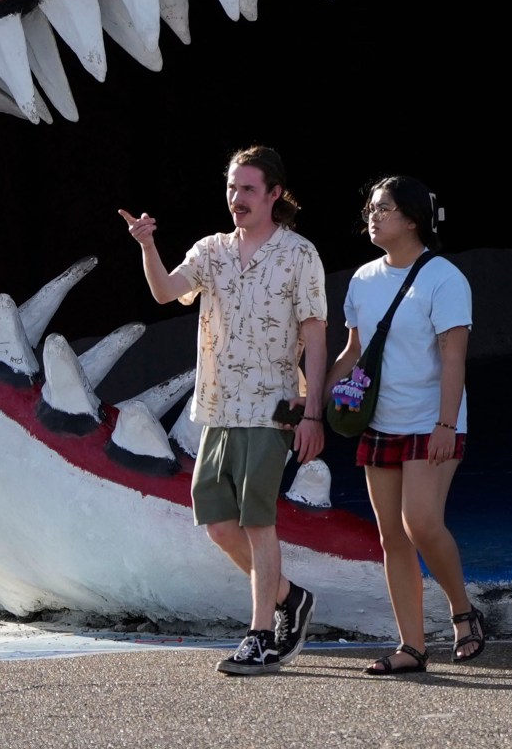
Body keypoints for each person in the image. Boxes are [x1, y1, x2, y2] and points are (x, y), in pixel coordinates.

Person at [120, 145, 328, 676]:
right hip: (216, 407)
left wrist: (312, 412)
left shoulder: (299, 254)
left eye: (248, 189)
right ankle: (288, 598)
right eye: (232, 188)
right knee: (217, 522)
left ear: (274, 194)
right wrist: (148, 246)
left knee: (258, 521)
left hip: (270, 406)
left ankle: (260, 634)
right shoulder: (211, 250)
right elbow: (167, 291)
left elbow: (315, 335)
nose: (237, 198)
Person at [329, 175, 483, 674]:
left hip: (431, 421)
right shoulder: (363, 279)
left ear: (413, 219)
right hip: (381, 422)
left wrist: (445, 424)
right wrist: (313, 398)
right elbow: (354, 352)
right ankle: (411, 648)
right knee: (391, 536)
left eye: (385, 209)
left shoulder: (444, 278)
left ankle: (462, 611)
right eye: (371, 208)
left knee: (420, 523)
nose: (373, 217)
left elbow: (453, 357)